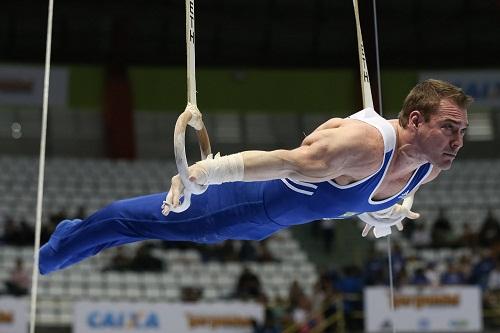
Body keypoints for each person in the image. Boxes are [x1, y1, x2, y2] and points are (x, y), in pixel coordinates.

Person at [39, 79, 472, 274]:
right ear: (415, 120)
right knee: (129, 222)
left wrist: (377, 210)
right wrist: (209, 170)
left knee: (136, 226)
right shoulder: (364, 147)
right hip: (243, 205)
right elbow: (284, 160)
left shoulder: (427, 167)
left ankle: (73, 239)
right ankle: (53, 252)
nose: (457, 141)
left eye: (463, 132)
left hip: (269, 223)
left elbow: (347, 194)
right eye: (449, 128)